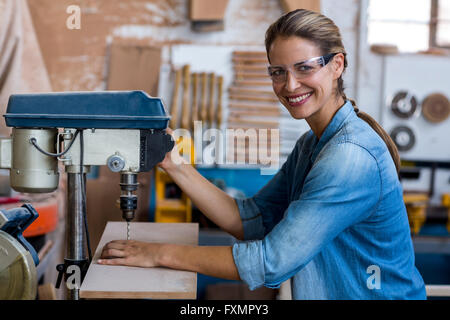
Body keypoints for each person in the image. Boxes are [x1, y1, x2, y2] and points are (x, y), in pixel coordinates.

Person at [98, 9, 426, 300]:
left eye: (304, 68)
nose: (290, 85)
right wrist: (173, 162)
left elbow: (272, 262)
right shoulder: (311, 145)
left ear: (336, 65)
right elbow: (253, 220)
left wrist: (159, 254)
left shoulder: (350, 158)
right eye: (278, 72)